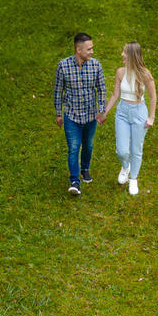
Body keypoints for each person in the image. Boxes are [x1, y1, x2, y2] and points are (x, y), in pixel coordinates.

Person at [53, 33, 107, 196]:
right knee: (74, 148)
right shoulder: (63, 66)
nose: (92, 51)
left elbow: (102, 89)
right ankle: (75, 181)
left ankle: (85, 169)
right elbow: (58, 90)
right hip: (72, 116)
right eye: (89, 49)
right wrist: (58, 113)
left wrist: (101, 110)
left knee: (88, 145)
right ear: (78, 49)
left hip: (90, 116)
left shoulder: (96, 65)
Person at [103, 42, 157, 196]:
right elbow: (115, 95)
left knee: (136, 149)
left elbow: (153, 97)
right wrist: (105, 112)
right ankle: (125, 167)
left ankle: (133, 178)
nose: (121, 54)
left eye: (124, 52)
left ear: (132, 55)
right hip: (122, 112)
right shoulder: (120, 72)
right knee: (121, 150)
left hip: (139, 113)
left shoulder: (145, 74)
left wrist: (151, 117)